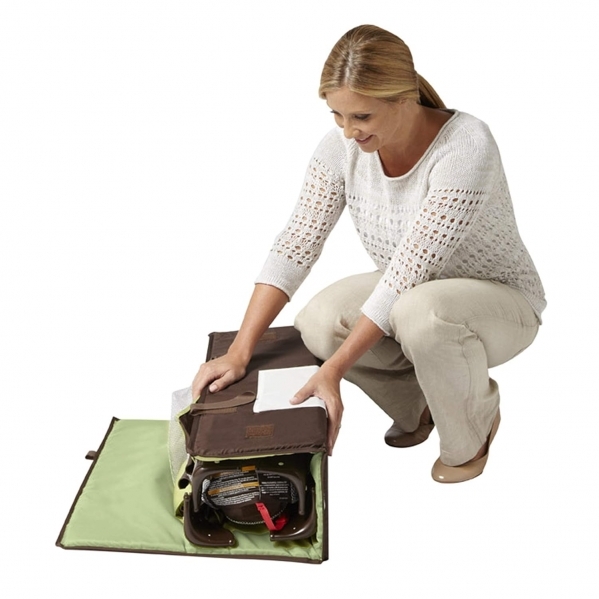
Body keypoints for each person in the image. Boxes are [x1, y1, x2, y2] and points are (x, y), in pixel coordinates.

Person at [191, 24, 546, 483]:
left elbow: (409, 271)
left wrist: (334, 371)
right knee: (318, 321)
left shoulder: (466, 146)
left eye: (361, 116)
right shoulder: (344, 147)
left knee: (421, 314)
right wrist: (241, 350)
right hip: (413, 290)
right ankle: (420, 405)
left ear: (404, 99)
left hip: (501, 302)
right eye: (337, 115)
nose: (348, 130)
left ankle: (472, 430)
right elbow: (297, 241)